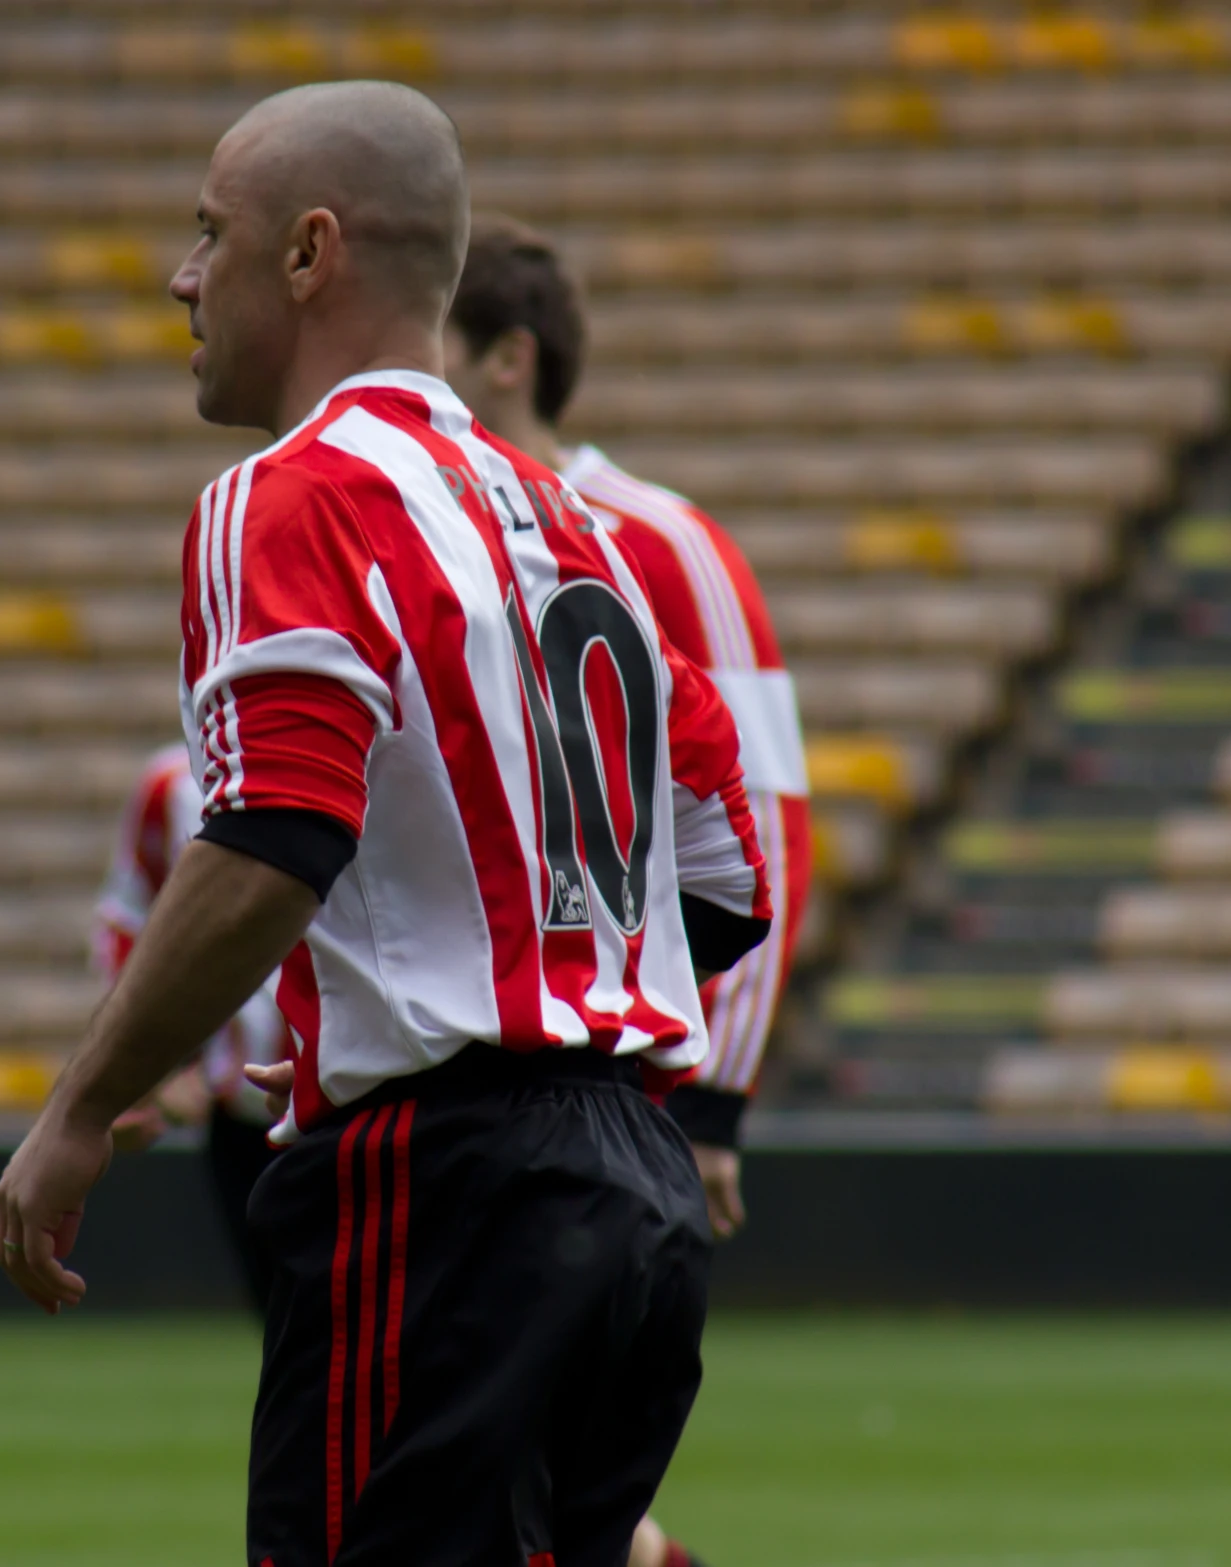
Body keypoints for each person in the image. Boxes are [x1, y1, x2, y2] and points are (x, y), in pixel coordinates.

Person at [0, 80, 773, 1567]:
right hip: (635, 1195)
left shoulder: (286, 498)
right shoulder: (570, 525)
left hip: (445, 1198)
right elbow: (722, 870)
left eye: (206, 232)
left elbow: (273, 834)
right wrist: (472, 970)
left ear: (308, 255)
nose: (179, 273)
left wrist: (82, 1103)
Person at [444, 216, 815, 1567]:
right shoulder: (441, 529)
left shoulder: (658, 537)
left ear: (504, 360)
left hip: (614, 1098)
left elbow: (765, 814)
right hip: (480, 1092)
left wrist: (713, 1094)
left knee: (522, 1490)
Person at [93, 741, 285, 1310]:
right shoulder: (172, 784)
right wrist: (151, 1068)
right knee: (284, 1321)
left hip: (362, 1101)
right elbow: (129, 925)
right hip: (244, 1113)